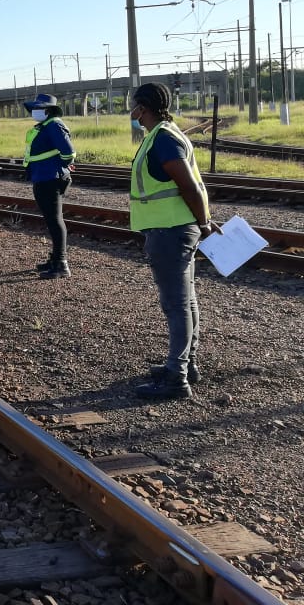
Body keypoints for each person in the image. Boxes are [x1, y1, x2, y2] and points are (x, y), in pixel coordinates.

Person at [128, 83, 217, 401]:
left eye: (134, 105)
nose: (131, 111)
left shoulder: (163, 139)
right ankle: (186, 365)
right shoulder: (163, 134)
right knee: (186, 302)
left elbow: (190, 186)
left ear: (143, 107)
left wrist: (204, 222)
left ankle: (176, 378)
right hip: (173, 228)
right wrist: (201, 220)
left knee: (176, 305)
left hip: (170, 231)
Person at [22, 94, 76, 279]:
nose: (35, 111)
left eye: (39, 108)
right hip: (42, 177)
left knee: (55, 221)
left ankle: (61, 264)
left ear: (48, 110)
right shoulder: (45, 126)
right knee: (51, 220)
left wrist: (60, 166)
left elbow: (68, 152)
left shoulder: (55, 125)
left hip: (50, 178)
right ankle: (55, 259)